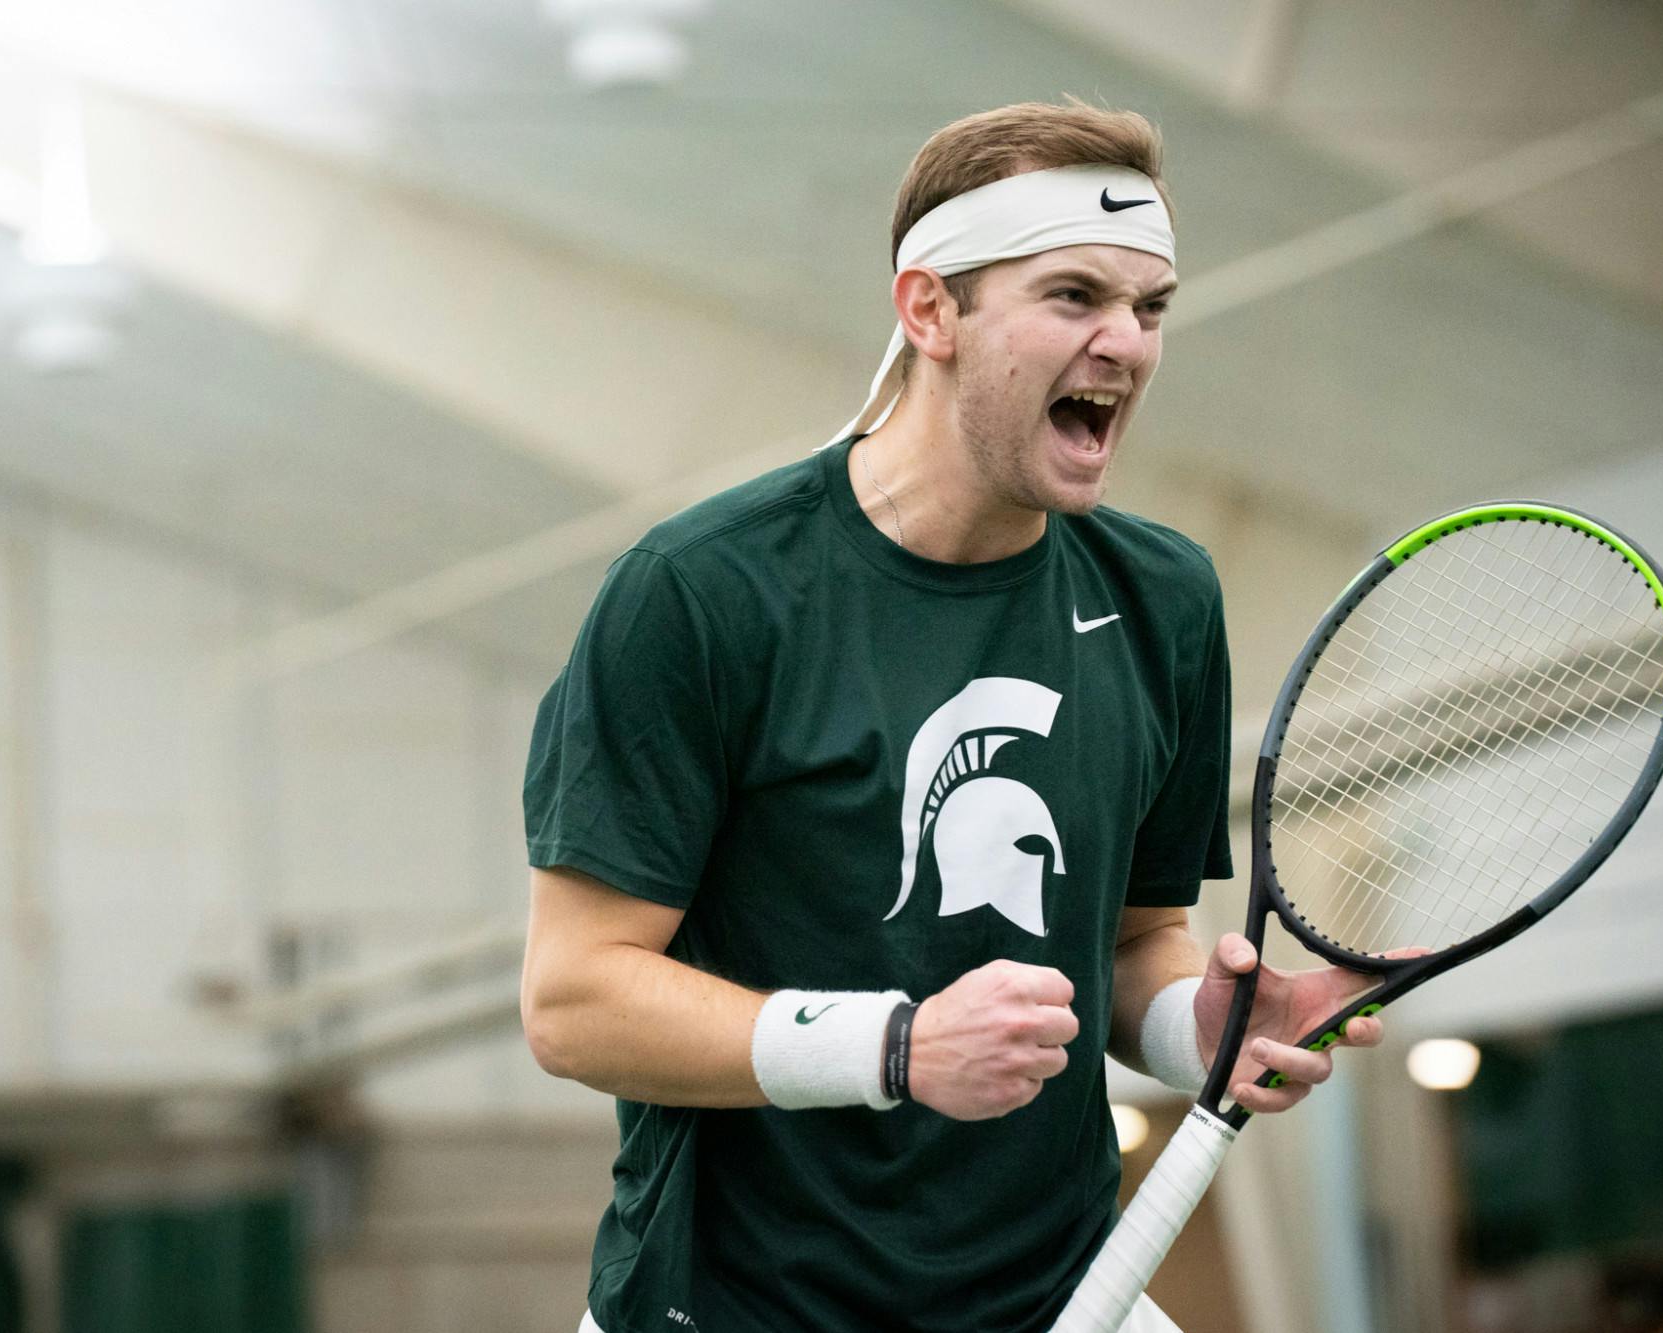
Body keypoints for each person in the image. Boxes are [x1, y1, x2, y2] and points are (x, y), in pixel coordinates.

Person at [520, 100, 1385, 1333]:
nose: (1125, 344)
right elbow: (573, 1000)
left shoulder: (1164, 598)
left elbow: (1133, 941)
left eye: (1149, 308)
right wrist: (893, 1047)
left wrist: (1206, 1028)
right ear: (927, 311)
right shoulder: (704, 593)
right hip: (737, 1309)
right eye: (1073, 294)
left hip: (1063, 1295)